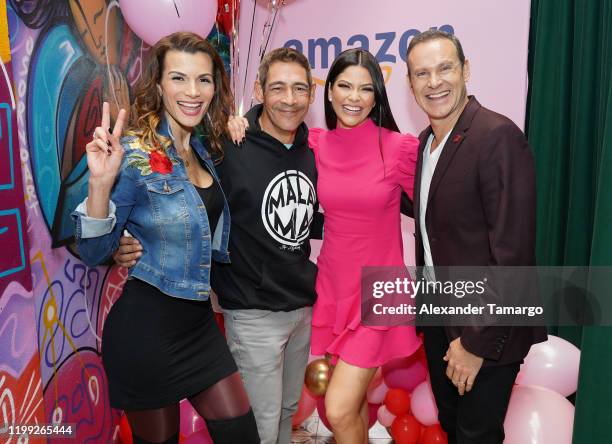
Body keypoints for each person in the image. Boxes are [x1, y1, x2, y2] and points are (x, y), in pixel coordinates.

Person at [114, 47, 320, 444]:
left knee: (283, 415)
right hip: (246, 311)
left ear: (311, 93)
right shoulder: (226, 146)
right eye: (277, 87)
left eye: (299, 89)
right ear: (259, 90)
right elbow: (159, 205)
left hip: (293, 308)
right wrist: (119, 240)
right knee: (257, 424)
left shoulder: (309, 150)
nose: (289, 98)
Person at [72, 32, 259, 444]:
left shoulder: (204, 149)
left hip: (199, 326)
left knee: (242, 433)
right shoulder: (135, 154)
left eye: (204, 80)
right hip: (146, 334)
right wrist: (100, 186)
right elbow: (94, 250)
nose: (193, 92)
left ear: (215, 86)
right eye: (179, 78)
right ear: (158, 85)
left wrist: (241, 121)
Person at [404, 29, 547, 443]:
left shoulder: (496, 136)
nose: (435, 82)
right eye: (422, 74)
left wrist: (475, 341)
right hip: (438, 319)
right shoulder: (426, 144)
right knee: (454, 430)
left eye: (445, 68)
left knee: (475, 437)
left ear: (465, 70)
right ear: (411, 84)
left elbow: (513, 254)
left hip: (486, 327)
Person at [307, 49, 422, 444]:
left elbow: (435, 209)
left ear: (377, 97)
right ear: (329, 91)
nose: (353, 97)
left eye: (365, 88)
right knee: (351, 410)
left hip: (379, 291)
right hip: (333, 287)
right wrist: (245, 121)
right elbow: (268, 141)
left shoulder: (397, 148)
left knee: (337, 408)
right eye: (344, 86)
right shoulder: (317, 145)